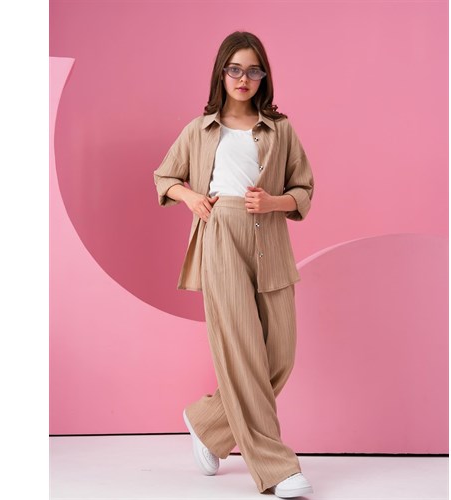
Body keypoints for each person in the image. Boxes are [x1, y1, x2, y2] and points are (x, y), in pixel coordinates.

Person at [153, 31, 315, 498]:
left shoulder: (280, 129)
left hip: (270, 239)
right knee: (244, 353)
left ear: (264, 76)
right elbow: (164, 176)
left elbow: (303, 189)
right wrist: (190, 197)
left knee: (279, 355)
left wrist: (274, 202)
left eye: (254, 70)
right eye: (236, 69)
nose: (244, 78)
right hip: (221, 238)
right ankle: (277, 467)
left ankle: (208, 423)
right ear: (222, 73)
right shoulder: (200, 129)